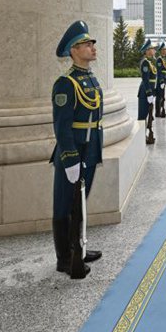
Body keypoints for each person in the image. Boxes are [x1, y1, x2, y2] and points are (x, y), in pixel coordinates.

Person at [51, 21, 104, 279]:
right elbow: (62, 127)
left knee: (80, 204)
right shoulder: (66, 83)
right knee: (65, 206)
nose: (92, 47)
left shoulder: (90, 78)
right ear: (73, 50)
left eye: (92, 43)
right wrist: (70, 158)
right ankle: (65, 258)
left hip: (90, 148)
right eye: (86, 44)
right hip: (72, 153)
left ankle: (79, 249)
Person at [138, 39, 157, 145]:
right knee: (142, 116)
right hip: (145, 92)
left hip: (149, 91)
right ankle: (141, 137)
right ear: (147, 50)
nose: (154, 50)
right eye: (152, 49)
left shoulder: (149, 62)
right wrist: (149, 93)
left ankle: (145, 135)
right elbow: (145, 79)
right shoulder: (145, 62)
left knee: (148, 115)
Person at [155, 43, 166, 118]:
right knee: (159, 97)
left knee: (162, 97)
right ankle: (157, 113)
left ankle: (162, 110)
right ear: (162, 51)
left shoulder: (164, 59)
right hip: (160, 81)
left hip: (163, 80)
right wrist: (161, 81)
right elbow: (159, 71)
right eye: (165, 49)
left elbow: (165, 71)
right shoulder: (159, 60)